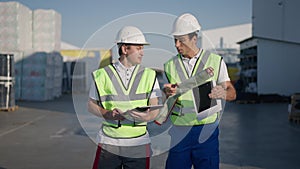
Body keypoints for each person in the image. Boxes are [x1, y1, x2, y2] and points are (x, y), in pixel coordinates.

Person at [163, 13, 236, 169]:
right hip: (179, 131)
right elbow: (167, 100)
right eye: (174, 40)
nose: (176, 45)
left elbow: (232, 92)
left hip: (206, 131)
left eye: (181, 40)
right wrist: (166, 94)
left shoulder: (215, 61)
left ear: (194, 39)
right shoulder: (169, 65)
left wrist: (223, 93)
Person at [88, 26, 162, 169]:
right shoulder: (101, 75)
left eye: (142, 48)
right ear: (125, 49)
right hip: (109, 143)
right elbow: (91, 105)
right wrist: (107, 114)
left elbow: (155, 109)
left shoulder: (150, 75)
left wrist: (145, 117)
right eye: (138, 48)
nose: (142, 53)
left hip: (139, 144)